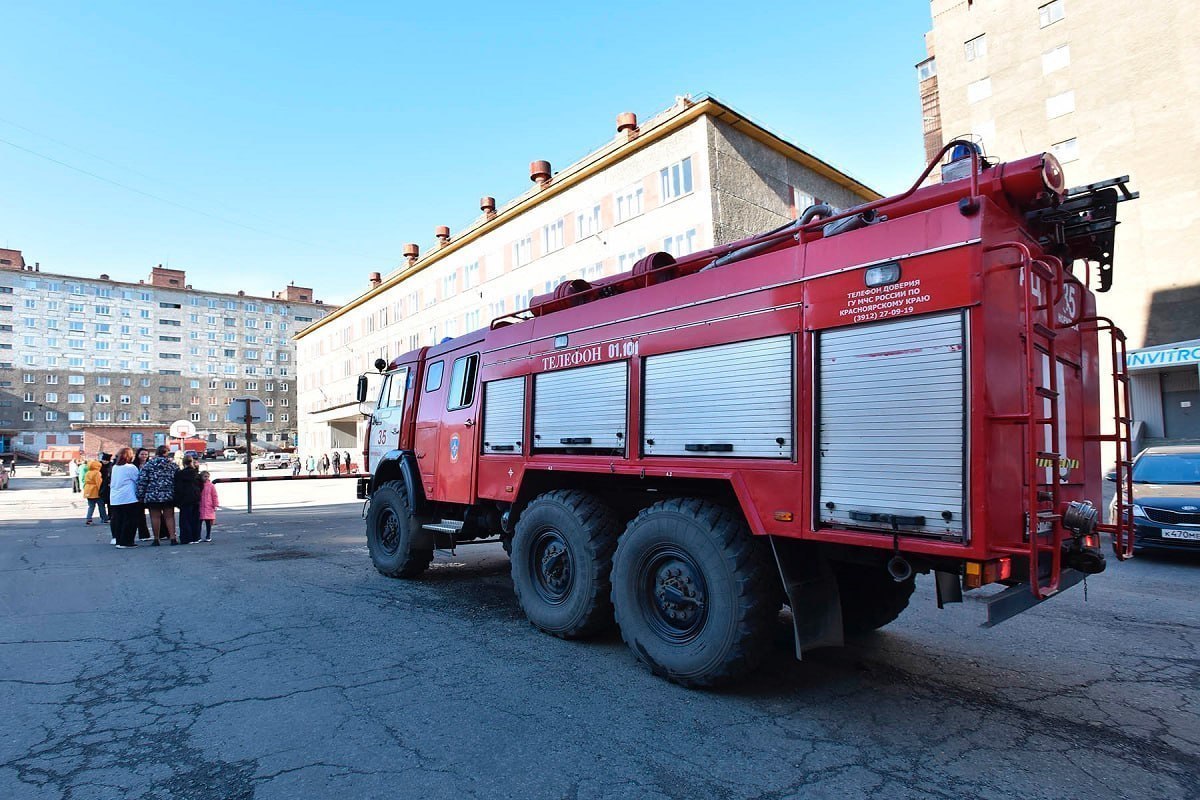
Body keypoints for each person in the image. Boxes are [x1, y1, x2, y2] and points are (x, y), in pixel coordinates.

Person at [136, 445, 179, 545]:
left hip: (152, 495)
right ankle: (173, 538)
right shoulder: (173, 465)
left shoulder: (149, 465)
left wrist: (140, 495)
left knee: (155, 517)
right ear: (166, 453)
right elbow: (178, 479)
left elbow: (142, 481)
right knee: (169, 516)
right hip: (168, 494)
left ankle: (156, 539)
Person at [109, 448, 140, 549]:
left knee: (119, 520)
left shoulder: (115, 467)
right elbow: (137, 479)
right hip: (128, 497)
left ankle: (119, 540)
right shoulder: (130, 467)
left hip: (115, 498)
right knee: (130, 521)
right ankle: (127, 541)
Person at [175, 455, 202, 544]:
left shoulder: (179, 474)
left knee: (185, 519)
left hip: (184, 498)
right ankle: (196, 537)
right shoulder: (196, 474)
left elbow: (178, 487)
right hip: (196, 497)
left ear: (183, 463)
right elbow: (201, 486)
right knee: (195, 518)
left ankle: (187, 538)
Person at [133, 449, 152, 541]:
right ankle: (144, 535)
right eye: (142, 454)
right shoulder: (133, 466)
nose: (144, 456)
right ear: (138, 455)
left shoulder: (151, 465)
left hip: (150, 491)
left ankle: (162, 533)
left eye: (146, 454)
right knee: (140, 514)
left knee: (156, 513)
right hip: (138, 491)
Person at [83, 459, 108, 527]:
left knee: (91, 506)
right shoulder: (97, 473)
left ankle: (88, 519)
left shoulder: (88, 472)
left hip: (88, 490)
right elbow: (99, 483)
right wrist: (102, 491)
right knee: (101, 505)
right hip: (95, 491)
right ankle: (104, 518)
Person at [198, 471, 219, 543]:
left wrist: (215, 504)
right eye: (205, 476)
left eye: (207, 476)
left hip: (208, 506)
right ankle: (198, 536)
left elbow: (214, 495)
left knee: (208, 523)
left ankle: (208, 535)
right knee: (199, 523)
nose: (206, 478)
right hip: (200, 506)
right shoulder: (199, 485)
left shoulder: (211, 485)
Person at [98, 453, 113, 526]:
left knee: (110, 503)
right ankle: (103, 517)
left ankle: (110, 516)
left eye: (106, 460)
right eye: (104, 460)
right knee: (101, 503)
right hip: (100, 485)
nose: (105, 462)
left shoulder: (111, 465)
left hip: (108, 486)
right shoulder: (98, 465)